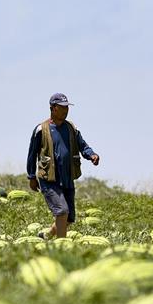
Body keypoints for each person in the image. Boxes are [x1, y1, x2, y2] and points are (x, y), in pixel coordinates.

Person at [26, 93, 100, 238]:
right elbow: (31, 154)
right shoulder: (41, 130)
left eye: (67, 108)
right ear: (53, 108)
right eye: (62, 108)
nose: (66, 111)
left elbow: (83, 146)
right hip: (49, 180)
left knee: (69, 218)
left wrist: (91, 155)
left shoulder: (71, 128)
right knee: (62, 211)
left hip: (67, 178)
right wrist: (31, 176)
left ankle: (46, 236)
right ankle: (61, 244)